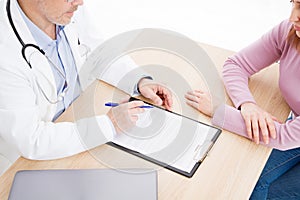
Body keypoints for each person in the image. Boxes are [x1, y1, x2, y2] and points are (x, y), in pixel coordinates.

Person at [0, 0, 172, 174]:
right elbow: (31, 139)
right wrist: (108, 125)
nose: (80, 2)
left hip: (79, 127)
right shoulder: (5, 51)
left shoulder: (65, 10)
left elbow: (98, 51)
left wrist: (138, 80)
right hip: (30, 163)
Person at [185, 0, 300, 199]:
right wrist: (247, 105)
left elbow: (284, 136)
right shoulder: (289, 31)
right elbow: (236, 65)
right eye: (295, 4)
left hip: (292, 135)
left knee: (257, 190)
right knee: (247, 178)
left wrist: (218, 111)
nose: (292, 17)